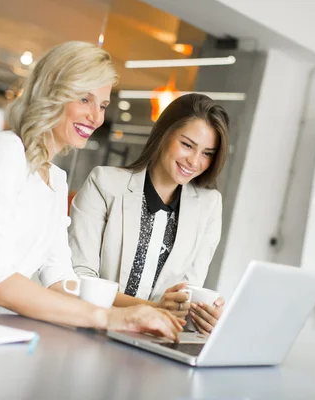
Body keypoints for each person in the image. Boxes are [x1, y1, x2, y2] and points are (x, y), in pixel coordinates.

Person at [0, 41, 182, 340]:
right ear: (54, 94)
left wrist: (148, 309)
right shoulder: (3, 149)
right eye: (84, 99)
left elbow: (61, 280)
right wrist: (112, 318)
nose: (96, 117)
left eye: (102, 105)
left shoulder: (56, 181)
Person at [68, 93, 229, 335]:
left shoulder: (209, 206)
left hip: (154, 345)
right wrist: (152, 309)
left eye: (207, 153)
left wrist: (204, 317)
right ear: (164, 134)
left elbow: (188, 291)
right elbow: (81, 281)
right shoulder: (105, 183)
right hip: (92, 330)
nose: (195, 161)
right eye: (187, 145)